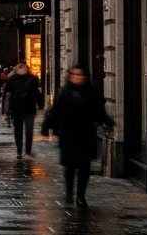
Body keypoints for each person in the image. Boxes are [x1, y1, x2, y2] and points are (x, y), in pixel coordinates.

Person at [42, 65, 114, 207]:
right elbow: (56, 110)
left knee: (84, 166)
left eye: (80, 75)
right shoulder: (65, 92)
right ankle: (69, 192)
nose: (77, 78)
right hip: (67, 134)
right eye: (74, 75)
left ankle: (81, 195)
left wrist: (106, 122)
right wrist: (47, 125)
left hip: (86, 134)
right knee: (69, 165)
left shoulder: (92, 92)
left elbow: (99, 110)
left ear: (85, 77)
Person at [3, 62, 42, 158]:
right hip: (26, 107)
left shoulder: (14, 79)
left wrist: (6, 107)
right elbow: (37, 93)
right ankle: (24, 150)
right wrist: (40, 103)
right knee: (25, 130)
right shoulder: (32, 79)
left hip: (20, 107)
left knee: (20, 129)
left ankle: (21, 151)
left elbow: (7, 93)